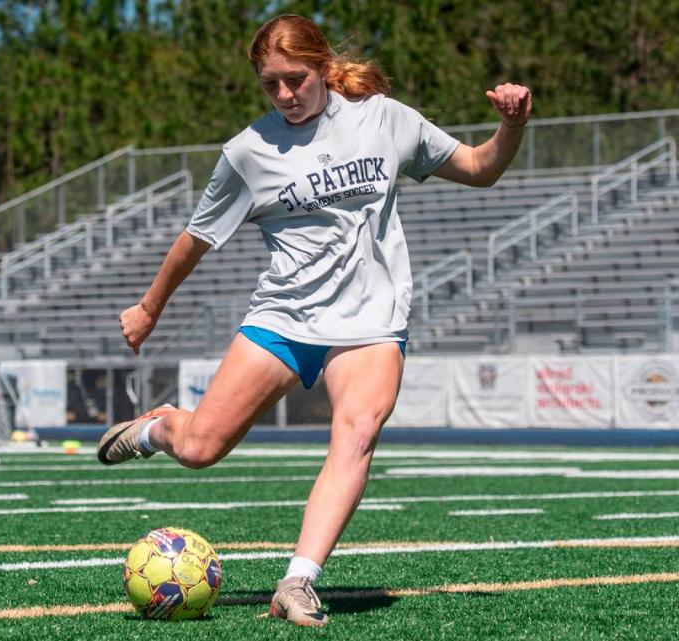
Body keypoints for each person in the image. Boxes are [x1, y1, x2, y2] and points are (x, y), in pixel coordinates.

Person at [97, 13, 531, 627]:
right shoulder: (247, 153)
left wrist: (511, 125)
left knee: (357, 430)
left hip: (371, 322)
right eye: (269, 83)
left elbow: (483, 168)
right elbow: (194, 240)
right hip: (284, 317)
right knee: (199, 450)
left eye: (295, 79)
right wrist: (148, 308)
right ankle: (160, 427)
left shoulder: (385, 119)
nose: (283, 95)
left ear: (323, 67)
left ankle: (298, 581)